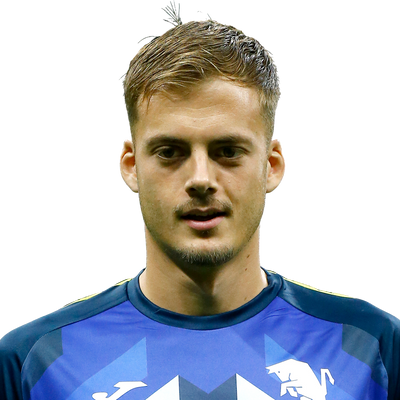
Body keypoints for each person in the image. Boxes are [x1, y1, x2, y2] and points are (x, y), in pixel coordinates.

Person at [1, 5, 399, 400]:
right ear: (131, 166)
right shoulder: (34, 360)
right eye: (170, 152)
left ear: (273, 165)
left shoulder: (373, 345)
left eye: (227, 151)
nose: (201, 180)